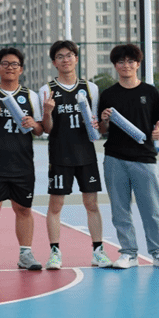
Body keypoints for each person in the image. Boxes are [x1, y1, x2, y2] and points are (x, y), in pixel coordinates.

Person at [98, 44, 159, 269]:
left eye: (131, 61)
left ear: (138, 64)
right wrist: (104, 120)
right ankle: (129, 254)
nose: (126, 65)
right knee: (120, 210)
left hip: (145, 158)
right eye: (121, 62)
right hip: (115, 158)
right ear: (115, 66)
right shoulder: (108, 94)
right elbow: (102, 130)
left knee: (152, 209)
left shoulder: (150, 92)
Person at [39, 40, 112, 270]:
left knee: (91, 203)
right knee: (56, 204)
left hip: (86, 154)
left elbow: (98, 127)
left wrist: (103, 122)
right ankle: (54, 252)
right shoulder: (47, 90)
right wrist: (47, 112)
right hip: (60, 155)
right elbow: (47, 129)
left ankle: (98, 251)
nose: (65, 60)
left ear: (76, 59)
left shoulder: (90, 89)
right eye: (60, 56)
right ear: (54, 62)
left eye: (69, 55)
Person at [0, 47, 44, 273]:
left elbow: (40, 130)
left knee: (23, 209)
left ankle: (25, 254)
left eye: (14, 64)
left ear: (21, 69)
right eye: (5, 64)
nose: (9, 68)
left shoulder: (31, 96)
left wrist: (34, 124)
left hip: (22, 164)